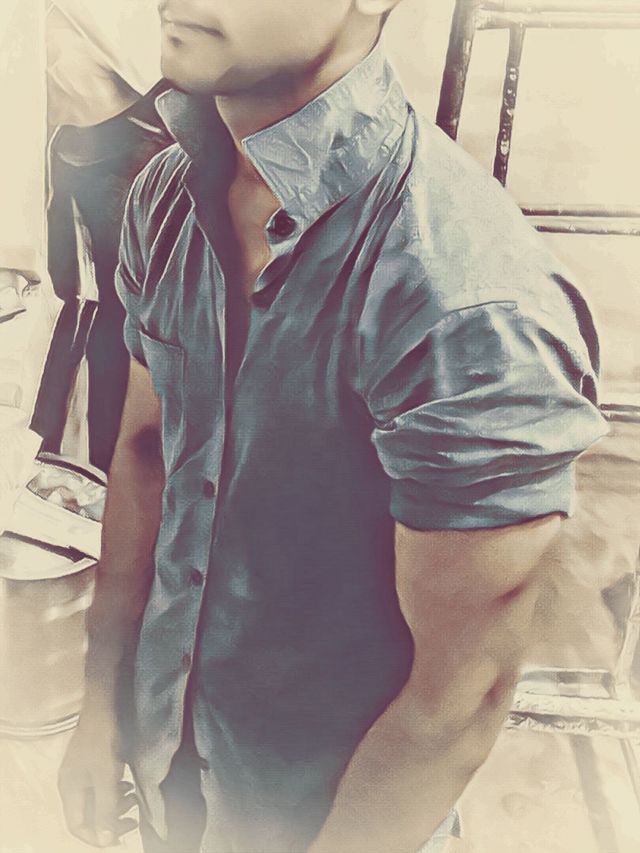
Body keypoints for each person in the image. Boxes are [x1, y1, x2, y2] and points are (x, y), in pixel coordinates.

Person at [58, 1, 609, 852]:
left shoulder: (465, 306)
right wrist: (101, 703)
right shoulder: (166, 195)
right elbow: (144, 456)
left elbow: (455, 705)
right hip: (171, 761)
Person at [31, 0, 171, 473]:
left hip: (131, 120)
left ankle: (105, 472)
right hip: (94, 133)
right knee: (108, 317)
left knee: (127, 321)